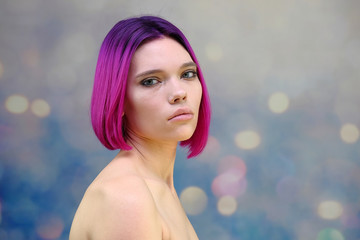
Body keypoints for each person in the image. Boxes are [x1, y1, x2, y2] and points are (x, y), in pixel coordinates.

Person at [69, 15, 211, 240]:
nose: (179, 93)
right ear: (118, 99)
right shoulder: (127, 197)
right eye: (151, 81)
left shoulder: (157, 188)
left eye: (187, 74)